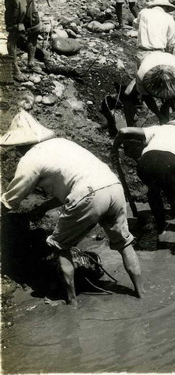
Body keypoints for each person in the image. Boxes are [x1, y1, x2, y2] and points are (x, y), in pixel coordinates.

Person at [0, 111, 143, 307]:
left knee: (59, 246)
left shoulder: (29, 159)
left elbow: (10, 200)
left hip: (89, 193)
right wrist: (44, 207)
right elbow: (74, 181)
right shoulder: (63, 143)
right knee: (124, 242)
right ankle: (141, 294)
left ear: (19, 145)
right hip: (113, 186)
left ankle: (71, 302)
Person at [112, 112, 175, 251]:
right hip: (171, 165)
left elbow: (123, 131)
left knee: (154, 188)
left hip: (145, 163)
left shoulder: (162, 129)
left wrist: (114, 149)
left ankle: (161, 227)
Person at [122, 51, 175, 126]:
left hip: (169, 59)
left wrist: (167, 104)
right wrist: (159, 115)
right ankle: (134, 82)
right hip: (148, 60)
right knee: (127, 93)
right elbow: (147, 97)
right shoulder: (142, 75)